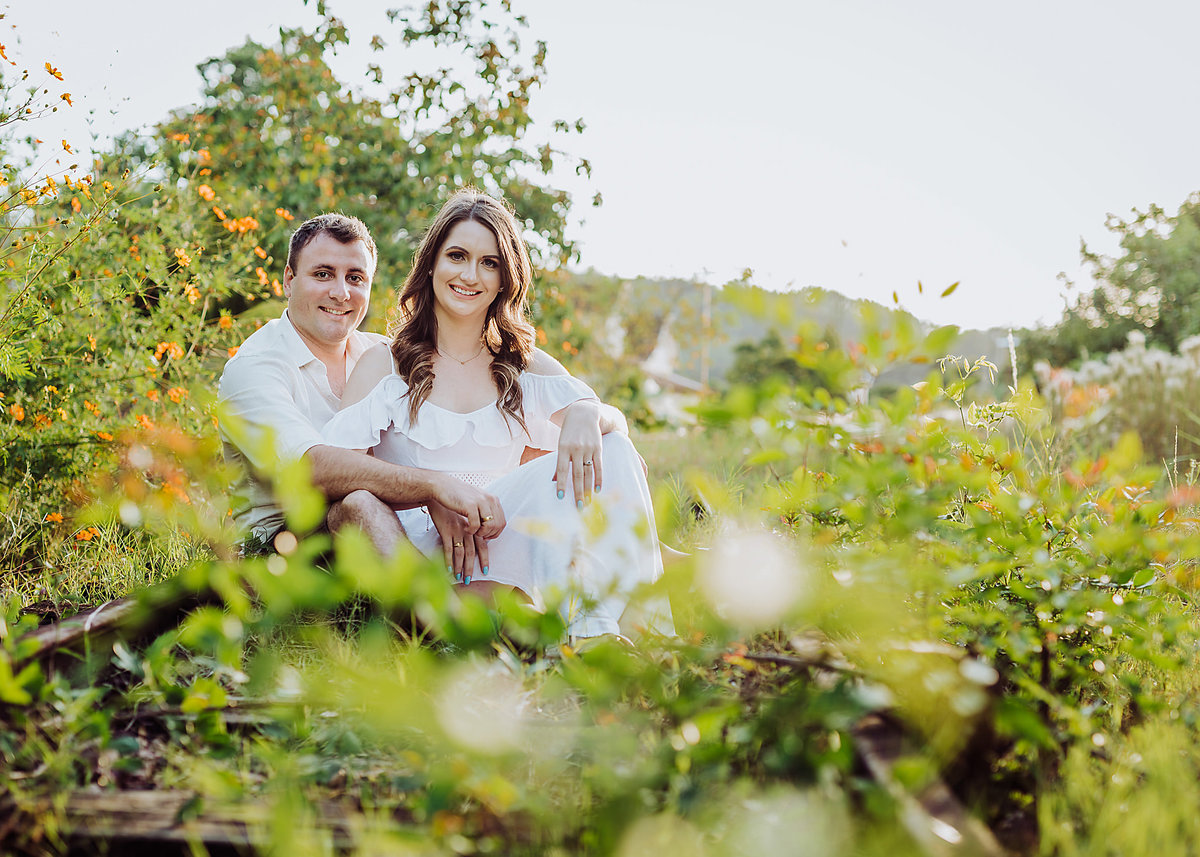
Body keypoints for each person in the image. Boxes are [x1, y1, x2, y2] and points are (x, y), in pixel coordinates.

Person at [321, 189, 673, 641]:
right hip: (421, 550)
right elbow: (329, 470)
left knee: (616, 447)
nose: (470, 274)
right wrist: (432, 490)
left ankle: (619, 635)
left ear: (506, 279)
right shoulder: (385, 364)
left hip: (500, 543)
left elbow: (617, 448)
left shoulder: (526, 365)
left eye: (489, 263)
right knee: (359, 504)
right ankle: (476, 628)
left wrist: (590, 412)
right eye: (457, 255)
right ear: (431, 263)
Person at [218, 212, 506, 556]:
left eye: (355, 278)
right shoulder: (255, 367)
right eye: (323, 274)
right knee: (359, 504)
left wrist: (582, 406)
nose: (341, 293)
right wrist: (433, 488)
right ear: (289, 280)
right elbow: (311, 471)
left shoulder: (380, 355)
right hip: (281, 549)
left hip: (376, 534)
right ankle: (430, 608)